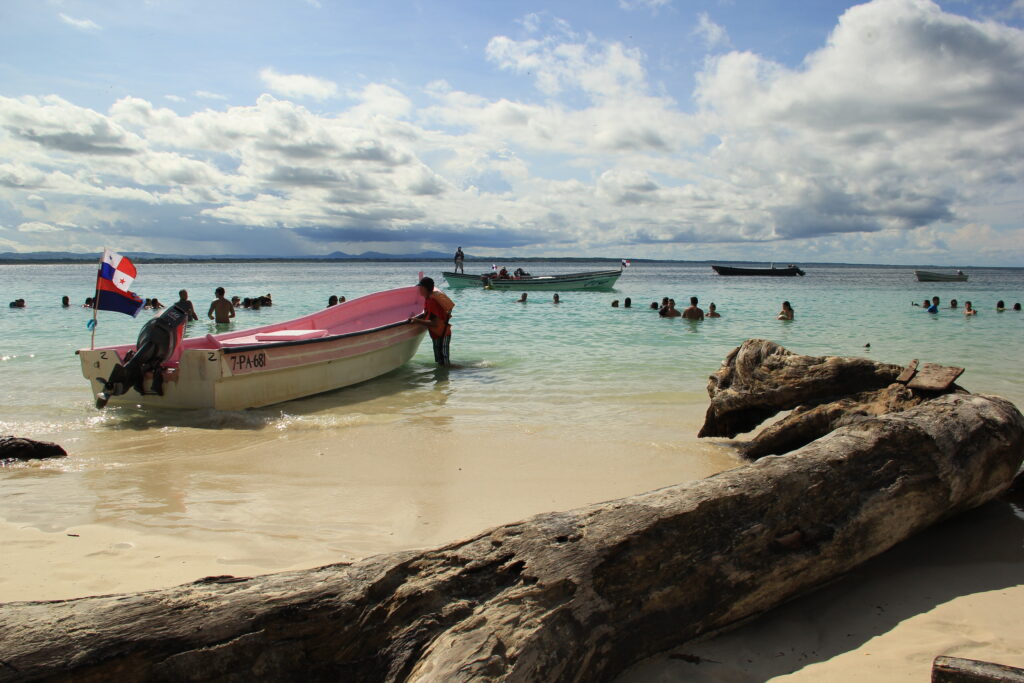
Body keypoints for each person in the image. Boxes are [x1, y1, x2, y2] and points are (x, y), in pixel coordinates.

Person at [408, 277, 451, 367]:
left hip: (442, 335)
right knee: (440, 363)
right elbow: (428, 315)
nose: (419, 290)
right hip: (437, 335)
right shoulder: (428, 299)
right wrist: (418, 318)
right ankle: (443, 380)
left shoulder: (432, 301)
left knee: (445, 364)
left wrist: (416, 321)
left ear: (424, 288)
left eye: (420, 288)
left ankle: (465, 371)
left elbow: (435, 323)